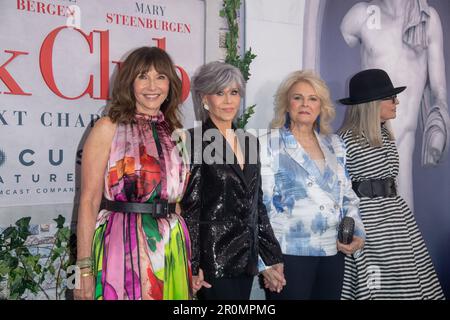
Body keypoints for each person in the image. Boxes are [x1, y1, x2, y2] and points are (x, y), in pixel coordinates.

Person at [74, 47, 191, 300]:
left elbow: (176, 200)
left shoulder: (177, 133)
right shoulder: (108, 127)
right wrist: (82, 270)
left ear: (170, 84)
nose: (152, 86)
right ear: (129, 83)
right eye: (143, 76)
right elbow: (89, 200)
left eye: (160, 77)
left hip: (172, 245)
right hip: (122, 244)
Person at [181, 61, 285, 300]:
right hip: (213, 259)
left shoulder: (249, 142)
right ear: (205, 98)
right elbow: (191, 209)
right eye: (220, 92)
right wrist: (192, 262)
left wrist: (271, 256)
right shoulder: (194, 140)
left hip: (246, 259)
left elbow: (256, 206)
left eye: (234, 92)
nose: (228, 100)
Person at [338, 68, 444, 299]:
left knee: (412, 279)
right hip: (368, 222)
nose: (396, 102)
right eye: (390, 97)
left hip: (397, 219)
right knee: (377, 285)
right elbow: (339, 189)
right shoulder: (346, 139)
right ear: (372, 102)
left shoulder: (386, 136)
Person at [259, 70, 366, 300]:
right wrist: (266, 260)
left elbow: (347, 196)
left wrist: (357, 230)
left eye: (313, 98)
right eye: (297, 97)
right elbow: (260, 208)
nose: (305, 104)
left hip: (332, 252)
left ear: (321, 106)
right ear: (287, 105)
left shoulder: (335, 145)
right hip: (287, 255)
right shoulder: (268, 144)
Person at [340, 0, 450, 212]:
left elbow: (440, 90)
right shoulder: (361, 15)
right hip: (365, 139)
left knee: (402, 222)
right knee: (364, 217)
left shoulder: (427, 19)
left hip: (402, 143)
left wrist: (439, 124)